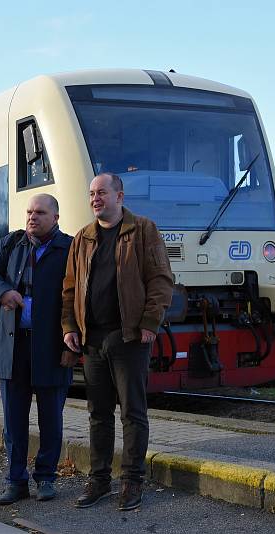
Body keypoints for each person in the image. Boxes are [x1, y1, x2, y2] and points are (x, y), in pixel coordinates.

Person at [61, 172, 173, 511]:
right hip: (92, 341)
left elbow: (160, 279)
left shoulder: (143, 230)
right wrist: (69, 326)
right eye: (91, 193)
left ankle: (132, 480)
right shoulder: (82, 238)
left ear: (119, 196)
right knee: (98, 413)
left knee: (133, 412)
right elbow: (69, 289)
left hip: (129, 338)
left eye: (102, 193)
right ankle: (99, 480)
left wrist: (151, 322)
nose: (95, 198)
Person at [0, 193, 75, 505]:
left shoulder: (70, 248)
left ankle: (46, 479)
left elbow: (79, 297)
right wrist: (4, 291)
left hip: (51, 347)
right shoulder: (12, 243)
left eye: (41, 212)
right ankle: (15, 481)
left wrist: (74, 343)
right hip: (13, 346)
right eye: (30, 212)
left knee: (51, 420)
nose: (32, 217)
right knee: (14, 422)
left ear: (56, 218)